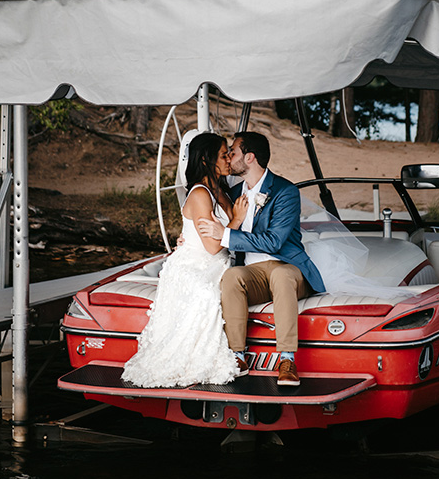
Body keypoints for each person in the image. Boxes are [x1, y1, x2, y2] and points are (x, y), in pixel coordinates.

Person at [121, 132, 249, 388]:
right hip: (195, 263)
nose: (228, 160)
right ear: (206, 160)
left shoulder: (221, 191)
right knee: (206, 294)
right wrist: (236, 220)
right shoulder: (201, 194)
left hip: (218, 263)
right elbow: (212, 247)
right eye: (223, 155)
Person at [198, 132, 325, 386]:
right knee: (232, 276)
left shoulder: (285, 191)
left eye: (233, 152)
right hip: (252, 273)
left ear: (250, 157)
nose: (229, 157)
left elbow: (274, 242)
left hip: (287, 267)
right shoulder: (232, 193)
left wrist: (227, 235)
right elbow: (209, 223)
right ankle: (237, 355)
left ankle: (287, 359)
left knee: (280, 275)